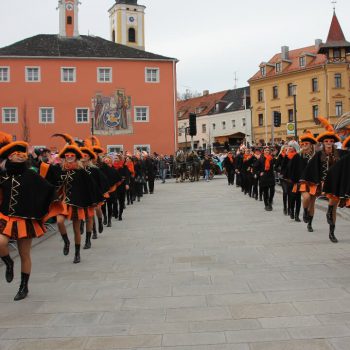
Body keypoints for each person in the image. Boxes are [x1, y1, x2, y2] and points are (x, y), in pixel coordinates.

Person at [0, 132, 61, 300]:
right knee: (1, 243)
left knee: (24, 254)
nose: (20, 156)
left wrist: (55, 202)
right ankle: (8, 262)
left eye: (22, 153)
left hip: (25, 219)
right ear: (9, 157)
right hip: (5, 217)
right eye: (15, 154)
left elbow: (47, 189)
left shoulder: (31, 174)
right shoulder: (3, 175)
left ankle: (23, 287)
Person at [258, 147, 275, 211]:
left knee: (272, 191)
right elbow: (256, 167)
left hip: (271, 176)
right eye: (265, 150)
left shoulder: (272, 158)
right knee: (265, 192)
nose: (267, 151)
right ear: (263, 151)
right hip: (264, 177)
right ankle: (266, 205)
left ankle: (270, 202)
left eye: (268, 150)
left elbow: (276, 164)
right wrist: (259, 173)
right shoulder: (261, 159)